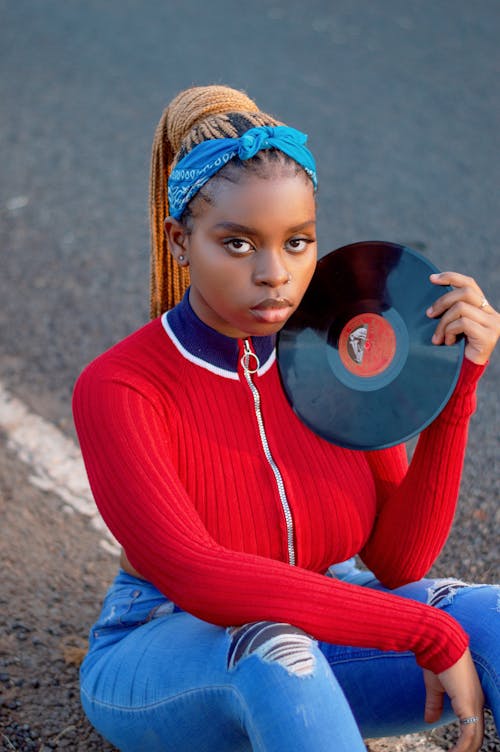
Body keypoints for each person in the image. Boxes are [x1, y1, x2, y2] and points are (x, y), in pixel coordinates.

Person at [72, 85, 500, 752]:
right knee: (281, 653)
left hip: (326, 620)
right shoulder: (123, 386)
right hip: (162, 648)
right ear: (180, 240)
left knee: (492, 618)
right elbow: (199, 577)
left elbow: (397, 561)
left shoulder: (338, 352)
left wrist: (457, 390)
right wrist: (421, 630)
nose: (276, 274)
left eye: (297, 242)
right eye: (238, 244)